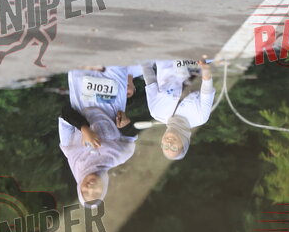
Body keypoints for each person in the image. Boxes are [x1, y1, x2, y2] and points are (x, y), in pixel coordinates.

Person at [58, 66, 138, 207]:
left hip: (81, 79)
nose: (90, 188)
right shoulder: (121, 155)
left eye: (85, 192)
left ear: (79, 187)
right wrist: (125, 123)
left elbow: (65, 113)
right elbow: (131, 133)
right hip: (114, 82)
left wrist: (84, 129)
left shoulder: (70, 151)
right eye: (96, 193)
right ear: (104, 188)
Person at [141, 59, 215, 160]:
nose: (169, 144)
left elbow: (150, 80)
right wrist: (205, 70)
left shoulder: (156, 112)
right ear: (185, 143)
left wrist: (144, 59)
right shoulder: (200, 117)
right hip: (195, 57)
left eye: (165, 147)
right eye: (174, 148)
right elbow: (207, 90)